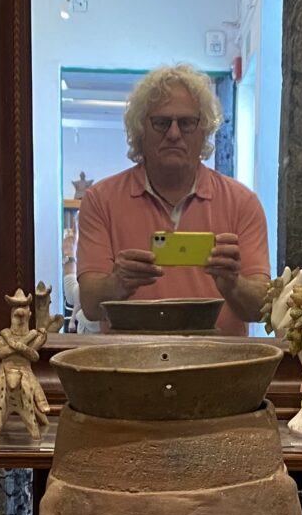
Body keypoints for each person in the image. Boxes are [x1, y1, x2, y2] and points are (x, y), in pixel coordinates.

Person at [77, 64, 271, 335]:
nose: (174, 133)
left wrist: (233, 284)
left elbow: (264, 310)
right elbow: (89, 306)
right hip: (130, 368)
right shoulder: (100, 200)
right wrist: (117, 283)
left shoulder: (242, 203)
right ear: (140, 129)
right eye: (161, 122)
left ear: (204, 130)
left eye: (187, 122)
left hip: (221, 369)